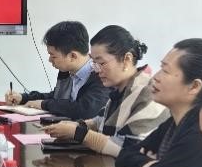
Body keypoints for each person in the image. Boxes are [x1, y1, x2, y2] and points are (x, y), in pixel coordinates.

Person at [114, 39, 202, 167]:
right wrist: (147, 165)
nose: (156, 77)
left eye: (165, 71)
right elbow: (124, 158)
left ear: (194, 86)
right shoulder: (174, 122)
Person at [44, 25, 168, 156]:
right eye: (94, 64)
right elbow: (100, 121)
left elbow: (130, 149)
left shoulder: (148, 95)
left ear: (127, 59)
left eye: (101, 63)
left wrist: (77, 132)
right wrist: (76, 125)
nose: (97, 70)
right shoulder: (121, 90)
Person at [4, 20, 111, 119]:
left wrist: (43, 104)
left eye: (53, 56)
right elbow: (56, 97)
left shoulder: (101, 74)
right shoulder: (67, 72)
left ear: (72, 56)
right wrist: (23, 98)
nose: (50, 60)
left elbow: (85, 110)